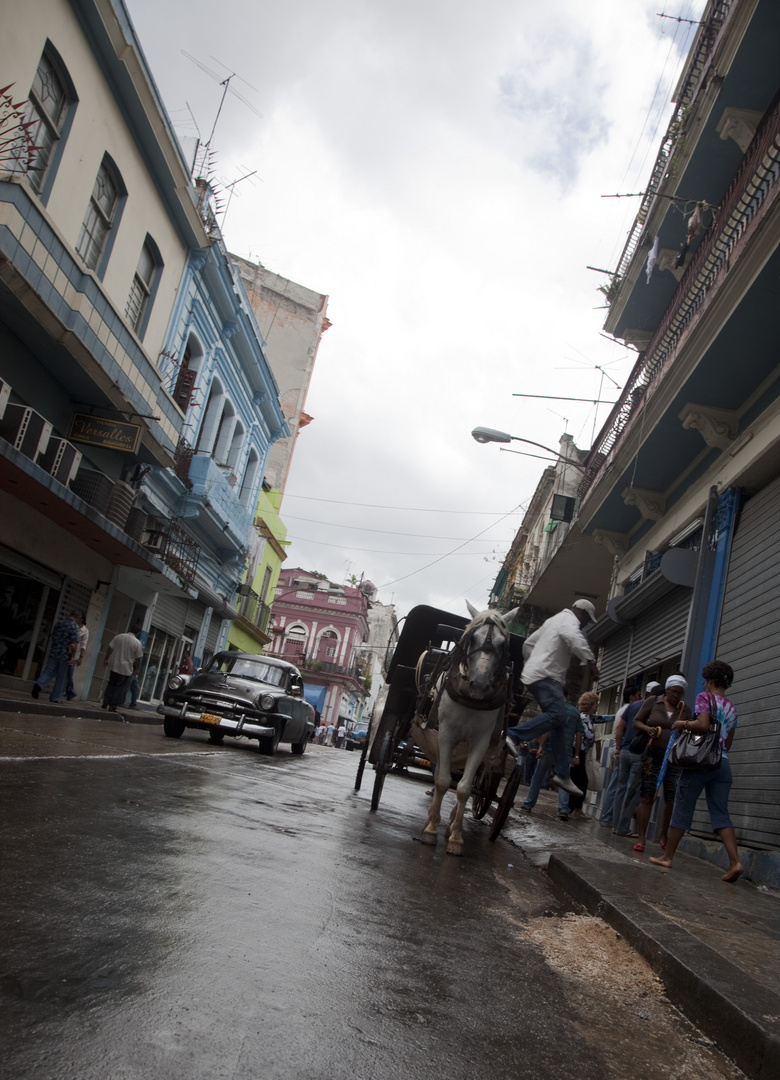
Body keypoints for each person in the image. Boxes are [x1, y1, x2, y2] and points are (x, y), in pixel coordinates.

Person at [650, 660, 743, 883]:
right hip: (722, 763)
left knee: (682, 807)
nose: (704, 684)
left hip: (700, 763)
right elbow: (727, 743)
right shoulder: (731, 707)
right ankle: (735, 862)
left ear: (711, 681)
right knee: (721, 814)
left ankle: (668, 856)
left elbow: (702, 725)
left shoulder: (704, 698)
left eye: (705, 680)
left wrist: (683, 724)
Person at [506, 598, 599, 797]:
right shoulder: (570, 621)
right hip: (548, 677)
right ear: (580, 612)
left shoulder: (553, 621)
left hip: (538, 674)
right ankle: (513, 734)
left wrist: (533, 665)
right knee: (558, 715)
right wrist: (590, 660)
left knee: (559, 722)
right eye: (587, 621)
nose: (585, 625)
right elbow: (574, 637)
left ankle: (563, 774)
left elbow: (529, 644)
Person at [631, 675, 691, 852]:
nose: (675, 696)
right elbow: (636, 722)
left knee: (671, 798)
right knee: (647, 795)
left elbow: (689, 731)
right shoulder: (653, 702)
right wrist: (647, 729)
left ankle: (663, 833)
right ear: (667, 690)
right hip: (653, 754)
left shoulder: (684, 709)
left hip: (674, 758)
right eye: (673, 692)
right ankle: (642, 838)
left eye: (679, 693)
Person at [521, 689, 582, 818]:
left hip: (550, 748)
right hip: (565, 751)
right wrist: (577, 755)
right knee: (564, 780)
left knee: (537, 777)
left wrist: (541, 746)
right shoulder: (576, 713)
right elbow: (579, 735)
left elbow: (547, 729)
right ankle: (563, 810)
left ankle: (528, 804)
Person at [611, 682, 662, 836]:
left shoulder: (632, 706)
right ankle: (623, 827)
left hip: (625, 751)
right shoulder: (656, 708)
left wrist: (618, 748)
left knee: (620, 789)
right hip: (640, 754)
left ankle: (615, 825)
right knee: (632, 792)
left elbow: (620, 728)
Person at [599, 686, 641, 827]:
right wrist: (618, 748)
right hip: (623, 749)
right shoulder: (630, 710)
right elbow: (620, 730)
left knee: (616, 786)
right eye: (638, 695)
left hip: (619, 749)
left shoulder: (622, 710)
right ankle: (611, 819)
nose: (640, 698)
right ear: (631, 697)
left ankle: (608, 817)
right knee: (620, 786)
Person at [564, 690, 601, 818]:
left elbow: (603, 718)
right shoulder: (584, 718)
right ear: (590, 704)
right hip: (578, 750)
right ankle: (574, 808)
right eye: (596, 703)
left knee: (579, 779)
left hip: (581, 751)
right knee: (580, 780)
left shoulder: (590, 718)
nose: (597, 706)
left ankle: (574, 807)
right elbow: (589, 735)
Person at [32, 611, 79, 703]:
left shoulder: (59, 623)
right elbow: (74, 644)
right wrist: (72, 656)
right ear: (77, 618)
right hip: (65, 655)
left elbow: (53, 636)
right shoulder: (74, 627)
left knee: (49, 670)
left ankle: (39, 684)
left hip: (54, 651)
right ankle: (55, 698)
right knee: (61, 677)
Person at [103, 624, 144, 713]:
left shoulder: (119, 637)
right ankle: (113, 706)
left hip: (114, 665)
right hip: (125, 669)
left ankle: (105, 702)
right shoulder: (137, 643)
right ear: (138, 633)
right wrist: (136, 669)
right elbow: (138, 658)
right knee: (120, 688)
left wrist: (106, 659)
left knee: (111, 684)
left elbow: (110, 648)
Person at [65, 613, 89, 701]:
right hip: (65, 652)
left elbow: (83, 645)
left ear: (82, 619)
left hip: (74, 655)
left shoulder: (84, 631)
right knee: (65, 673)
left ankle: (70, 692)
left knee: (69, 673)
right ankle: (69, 692)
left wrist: (81, 657)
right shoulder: (72, 626)